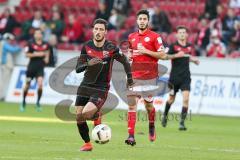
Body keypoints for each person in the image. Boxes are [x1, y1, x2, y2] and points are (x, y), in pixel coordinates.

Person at [125, 10, 184, 146]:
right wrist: (129, 56)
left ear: (148, 21)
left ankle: (151, 126)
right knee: (132, 105)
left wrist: (146, 51)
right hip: (134, 76)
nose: (142, 21)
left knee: (149, 106)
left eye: (144, 19)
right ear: (137, 20)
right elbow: (130, 51)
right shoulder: (131, 36)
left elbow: (163, 55)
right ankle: (131, 136)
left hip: (149, 78)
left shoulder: (155, 37)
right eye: (140, 19)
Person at [75, 18, 134, 151]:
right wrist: (87, 64)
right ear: (93, 30)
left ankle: (96, 115)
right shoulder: (86, 46)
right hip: (85, 86)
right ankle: (87, 144)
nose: (98, 31)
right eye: (96, 29)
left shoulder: (111, 48)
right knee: (79, 117)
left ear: (105, 32)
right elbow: (78, 68)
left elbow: (125, 61)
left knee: (85, 114)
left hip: (101, 88)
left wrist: (129, 79)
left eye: (101, 29)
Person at [162, 26, 200, 131]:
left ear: (187, 35)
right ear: (177, 35)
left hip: (185, 77)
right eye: (180, 32)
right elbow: (165, 57)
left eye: (184, 32)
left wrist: (193, 60)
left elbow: (186, 56)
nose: (182, 34)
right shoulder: (173, 46)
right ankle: (165, 115)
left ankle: (182, 123)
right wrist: (176, 55)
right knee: (171, 99)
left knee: (186, 99)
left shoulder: (190, 46)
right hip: (174, 78)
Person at [20, 29, 50, 112]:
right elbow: (26, 54)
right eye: (36, 33)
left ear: (42, 35)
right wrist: (36, 54)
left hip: (40, 67)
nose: (38, 35)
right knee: (27, 85)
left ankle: (38, 103)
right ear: (34, 35)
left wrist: (47, 58)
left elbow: (47, 52)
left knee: (40, 84)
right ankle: (23, 102)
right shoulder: (30, 44)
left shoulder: (46, 44)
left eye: (40, 33)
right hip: (31, 67)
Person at [0, 33, 21, 100]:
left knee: (3, 80)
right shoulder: (4, 44)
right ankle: (2, 96)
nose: (11, 41)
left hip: (3, 64)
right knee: (4, 81)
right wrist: (19, 46)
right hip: (5, 65)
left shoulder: (2, 43)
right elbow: (13, 50)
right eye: (10, 40)